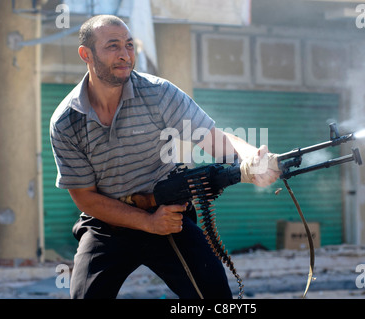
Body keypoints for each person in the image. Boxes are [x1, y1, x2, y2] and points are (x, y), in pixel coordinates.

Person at [50, 15, 280, 299]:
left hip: (168, 214)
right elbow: (85, 197)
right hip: (106, 224)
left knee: (215, 297)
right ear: (86, 54)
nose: (125, 54)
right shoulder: (66, 121)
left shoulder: (158, 94)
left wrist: (251, 158)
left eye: (129, 45)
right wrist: (146, 223)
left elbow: (216, 139)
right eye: (113, 46)